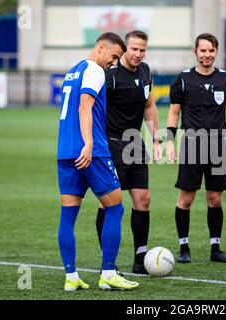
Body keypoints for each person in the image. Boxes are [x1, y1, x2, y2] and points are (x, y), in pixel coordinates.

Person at [56, 32, 139, 291]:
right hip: (92, 152)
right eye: (113, 56)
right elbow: (84, 108)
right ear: (100, 47)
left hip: (65, 152)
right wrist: (89, 143)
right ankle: (108, 273)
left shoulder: (73, 70)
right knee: (115, 208)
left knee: (68, 215)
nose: (114, 63)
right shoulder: (94, 70)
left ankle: (71, 277)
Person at [166, 33, 226, 264]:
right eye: (203, 51)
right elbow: (173, 111)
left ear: (216, 52)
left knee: (215, 199)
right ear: (195, 52)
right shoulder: (183, 79)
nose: (207, 55)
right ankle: (183, 248)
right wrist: (170, 140)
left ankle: (215, 248)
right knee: (186, 199)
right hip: (191, 144)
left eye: (211, 51)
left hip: (219, 145)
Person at [95, 30, 162, 274]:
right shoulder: (110, 76)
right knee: (109, 204)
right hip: (111, 144)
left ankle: (140, 258)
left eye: (142, 50)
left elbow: (149, 105)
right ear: (125, 49)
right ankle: (108, 262)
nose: (138, 54)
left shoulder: (145, 71)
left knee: (143, 199)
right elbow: (94, 108)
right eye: (134, 49)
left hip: (135, 144)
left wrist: (156, 139)